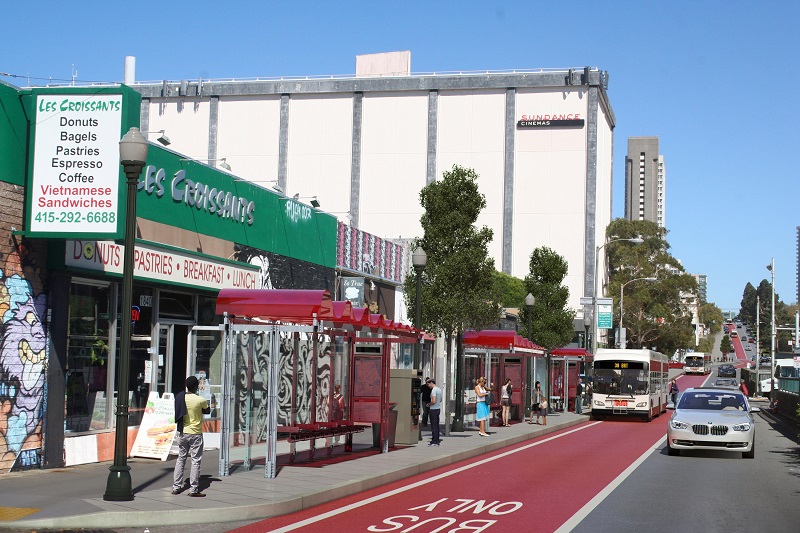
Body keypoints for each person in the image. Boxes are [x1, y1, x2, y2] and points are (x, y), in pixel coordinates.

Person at [172, 375, 210, 497]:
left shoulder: (180, 398)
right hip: (196, 434)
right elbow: (207, 410)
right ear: (196, 386)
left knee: (181, 459)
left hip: (183, 432)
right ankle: (193, 489)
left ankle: (176, 487)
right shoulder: (200, 400)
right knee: (195, 461)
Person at [426, 379, 442, 446]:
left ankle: (434, 441)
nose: (428, 386)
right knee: (437, 425)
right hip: (438, 408)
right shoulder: (439, 390)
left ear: (431, 383)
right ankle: (437, 439)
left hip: (433, 409)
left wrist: (429, 404)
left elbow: (433, 401)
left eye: (428, 384)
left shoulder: (433, 390)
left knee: (433, 426)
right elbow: (440, 400)